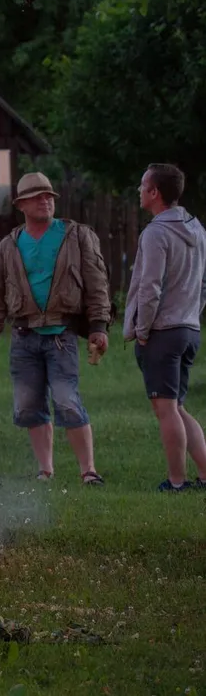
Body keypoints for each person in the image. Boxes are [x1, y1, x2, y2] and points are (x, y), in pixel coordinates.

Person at [0, 172, 110, 485]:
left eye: (48, 195)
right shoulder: (9, 245)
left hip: (61, 336)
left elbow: (97, 284)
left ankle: (88, 471)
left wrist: (98, 326)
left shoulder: (75, 235)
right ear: (21, 204)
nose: (45, 200)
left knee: (66, 400)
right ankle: (46, 471)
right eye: (37, 196)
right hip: (23, 338)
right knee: (27, 406)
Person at [122, 163, 206, 493]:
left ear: (155, 192)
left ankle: (176, 481)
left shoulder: (156, 233)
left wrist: (142, 329)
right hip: (189, 329)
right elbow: (203, 284)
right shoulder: (197, 229)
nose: (139, 191)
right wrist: (192, 314)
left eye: (143, 186)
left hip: (163, 332)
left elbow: (150, 286)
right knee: (177, 406)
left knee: (166, 409)